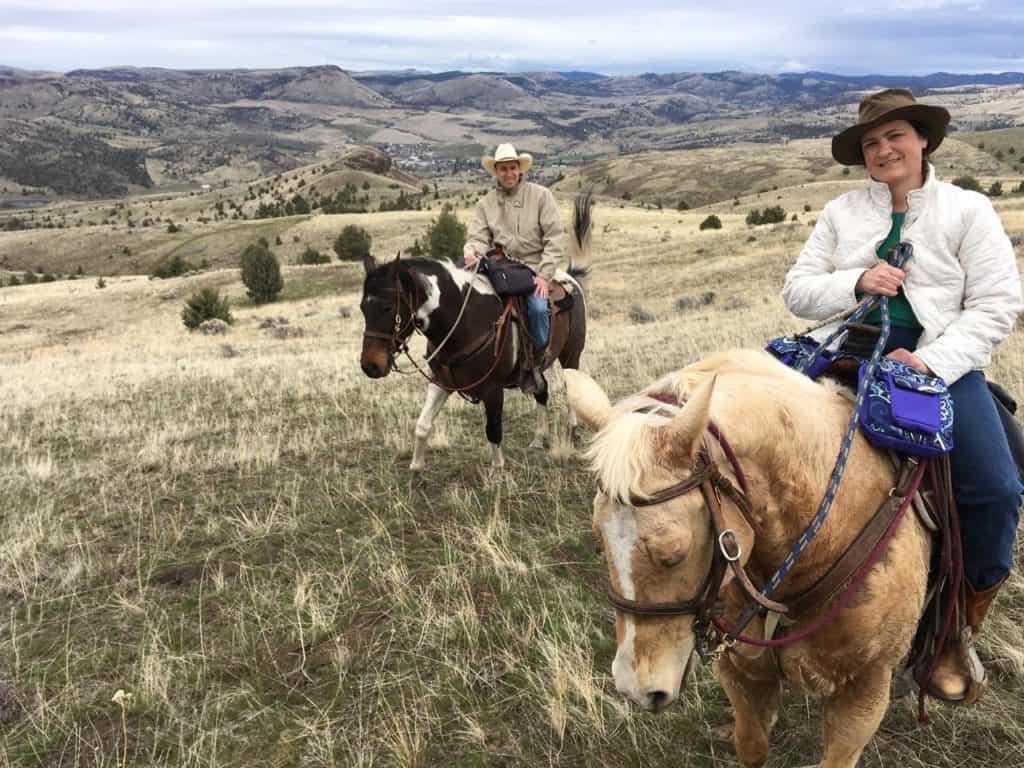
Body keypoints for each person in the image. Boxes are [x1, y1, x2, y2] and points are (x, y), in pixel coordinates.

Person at [783, 88, 1024, 703]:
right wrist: (856, 279)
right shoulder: (841, 213)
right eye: (871, 143)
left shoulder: (967, 210)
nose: (884, 149)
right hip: (846, 354)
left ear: (923, 140)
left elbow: (998, 306)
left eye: (895, 136)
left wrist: (929, 361)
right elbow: (799, 290)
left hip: (937, 365)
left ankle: (955, 630)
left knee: (995, 490)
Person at [464, 143, 564, 394]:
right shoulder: (486, 203)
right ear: (496, 172)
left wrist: (544, 275)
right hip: (499, 267)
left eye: (512, 168)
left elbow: (554, 237)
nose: (508, 173)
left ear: (520, 169)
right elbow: (478, 236)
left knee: (539, 307)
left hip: (532, 266)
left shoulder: (541, 196)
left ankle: (536, 362)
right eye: (502, 169)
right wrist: (472, 250)